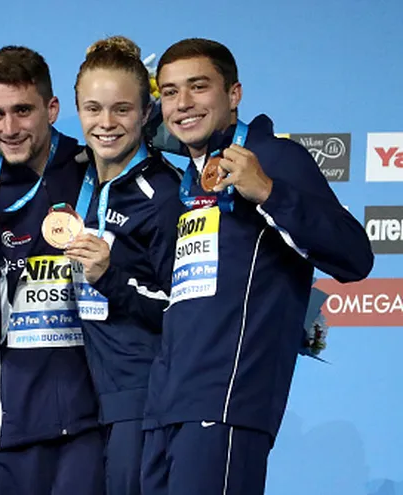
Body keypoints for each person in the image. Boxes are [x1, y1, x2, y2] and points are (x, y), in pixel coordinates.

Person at [140, 38, 374, 495]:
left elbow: (354, 255)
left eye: (198, 86)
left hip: (227, 400)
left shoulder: (273, 158)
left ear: (234, 94)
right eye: (169, 92)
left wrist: (268, 191)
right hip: (167, 405)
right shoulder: (187, 182)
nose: (182, 103)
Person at [0, 46, 103, 495]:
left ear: (51, 109)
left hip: (86, 421)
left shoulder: (91, 171)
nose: (9, 129)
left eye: (22, 111)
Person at [65, 36, 182, 495]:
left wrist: (110, 278)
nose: (106, 123)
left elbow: (183, 309)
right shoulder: (76, 177)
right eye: (93, 109)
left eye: (122, 109)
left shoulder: (165, 195)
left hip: (142, 397)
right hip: (82, 399)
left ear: (147, 112)